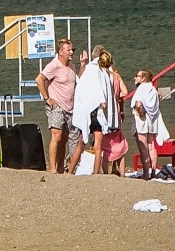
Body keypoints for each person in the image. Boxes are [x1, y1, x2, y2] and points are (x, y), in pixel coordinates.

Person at [68, 49, 118, 175]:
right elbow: (98, 88)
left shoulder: (91, 69)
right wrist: (102, 101)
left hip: (88, 111)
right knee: (97, 146)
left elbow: (82, 86)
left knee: (81, 143)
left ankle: (70, 171)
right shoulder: (99, 71)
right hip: (97, 112)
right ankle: (95, 173)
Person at [35, 38, 78, 174]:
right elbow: (39, 79)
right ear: (60, 52)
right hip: (57, 105)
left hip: (69, 107)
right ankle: (52, 167)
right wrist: (47, 98)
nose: (71, 52)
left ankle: (60, 166)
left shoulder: (72, 67)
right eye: (69, 50)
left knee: (65, 138)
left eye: (72, 50)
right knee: (57, 136)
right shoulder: (54, 65)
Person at [130, 70, 169, 180]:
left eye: (137, 76)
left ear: (143, 78)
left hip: (141, 120)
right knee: (151, 146)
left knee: (143, 148)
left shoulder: (141, 89)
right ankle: (153, 172)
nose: (135, 78)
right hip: (152, 120)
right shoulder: (153, 89)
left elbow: (138, 103)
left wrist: (140, 111)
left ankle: (146, 173)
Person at [97, 51, 128, 175]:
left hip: (105, 115)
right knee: (119, 145)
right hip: (116, 113)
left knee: (105, 147)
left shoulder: (100, 75)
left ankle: (105, 174)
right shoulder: (116, 76)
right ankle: (122, 174)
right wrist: (115, 96)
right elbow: (125, 92)